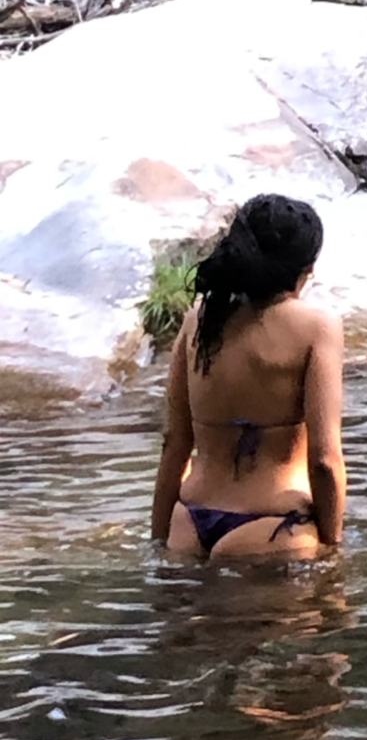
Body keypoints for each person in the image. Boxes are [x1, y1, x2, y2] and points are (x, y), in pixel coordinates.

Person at [151, 194, 345, 562]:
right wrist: (332, 553)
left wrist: (159, 541)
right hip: (272, 527)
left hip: (187, 521)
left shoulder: (199, 319)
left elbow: (175, 442)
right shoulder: (317, 328)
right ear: (308, 267)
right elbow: (324, 459)